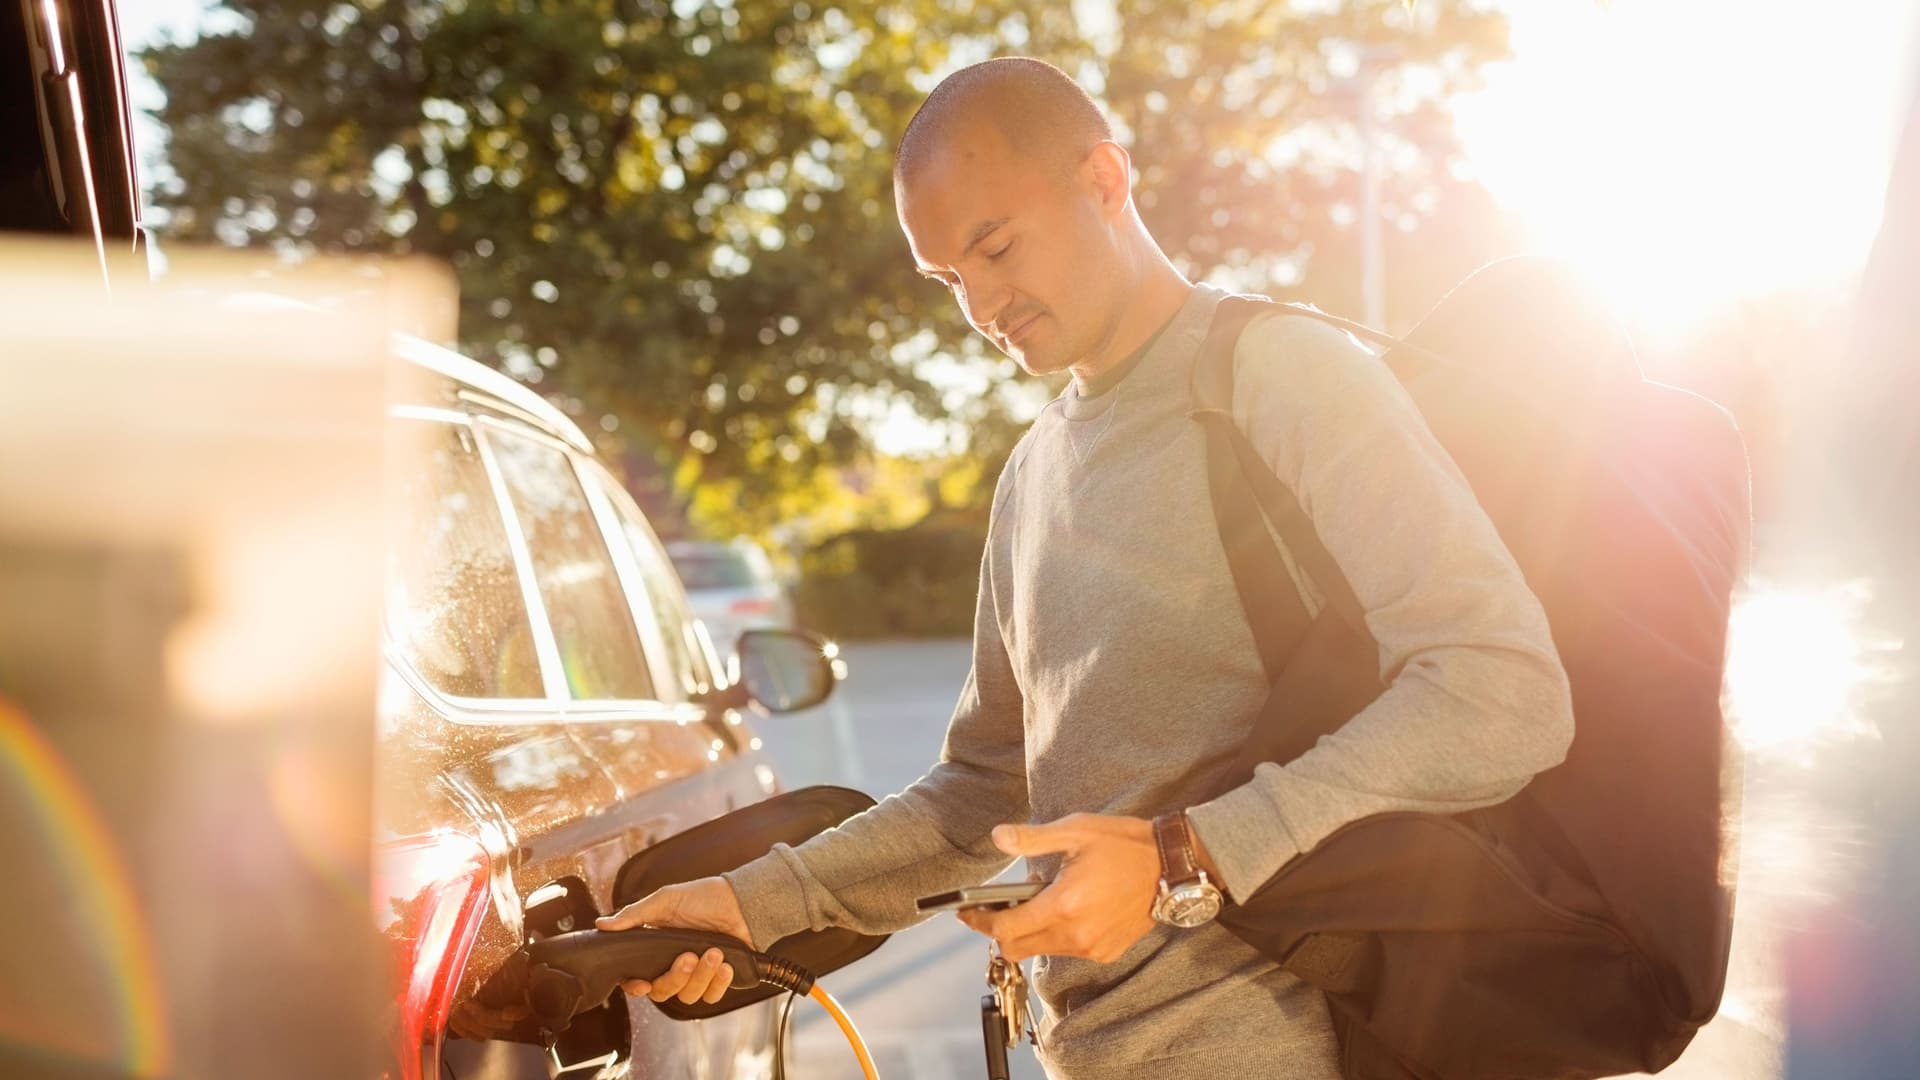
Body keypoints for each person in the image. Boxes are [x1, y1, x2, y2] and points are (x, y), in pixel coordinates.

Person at [597, 56, 1574, 1079]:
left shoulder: (1280, 374)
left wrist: (1183, 857)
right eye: (947, 279)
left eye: (995, 244)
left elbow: (1502, 687)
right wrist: (750, 904)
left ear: (1105, 181)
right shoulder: (1032, 474)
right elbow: (983, 794)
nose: (980, 305)